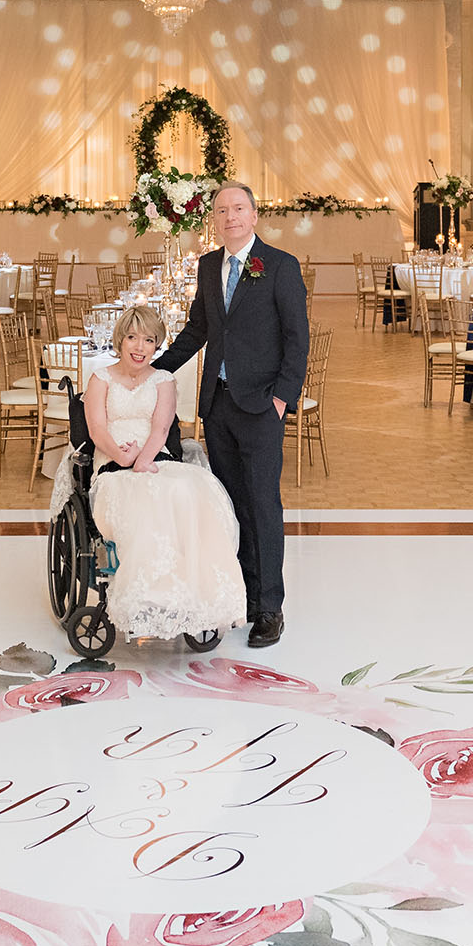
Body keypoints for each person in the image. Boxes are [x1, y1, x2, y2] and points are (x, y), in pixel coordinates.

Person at [152, 182, 309, 648]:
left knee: (263, 505)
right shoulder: (206, 266)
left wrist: (281, 398)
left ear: (254, 215)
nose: (230, 217)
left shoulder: (279, 266)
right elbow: (198, 329)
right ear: (214, 220)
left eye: (239, 208)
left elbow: (296, 340)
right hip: (218, 406)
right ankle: (239, 593)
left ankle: (270, 608)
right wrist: (151, 370)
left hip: (262, 406)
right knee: (230, 506)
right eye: (222, 211)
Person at [85, 304, 248, 642]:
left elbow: (160, 428)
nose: (139, 347)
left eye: (148, 340)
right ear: (120, 340)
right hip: (113, 464)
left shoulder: (163, 380)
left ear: (157, 344)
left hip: (155, 457)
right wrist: (121, 456)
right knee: (143, 500)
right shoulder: (101, 379)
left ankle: (190, 596)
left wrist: (144, 460)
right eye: (132, 338)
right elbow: (97, 429)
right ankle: (144, 595)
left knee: (189, 492)